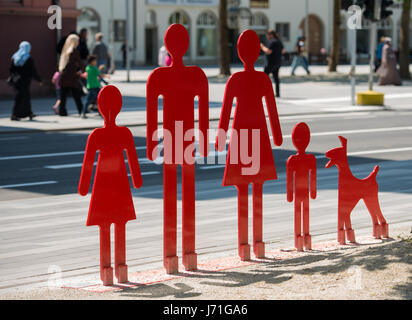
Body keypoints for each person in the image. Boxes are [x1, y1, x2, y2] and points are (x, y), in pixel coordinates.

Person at [216, 30, 283, 261]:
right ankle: (257, 242)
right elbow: (272, 111)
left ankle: (245, 244)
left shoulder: (235, 79)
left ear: (239, 52)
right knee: (258, 186)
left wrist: (221, 138)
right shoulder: (263, 79)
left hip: (241, 134)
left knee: (243, 186)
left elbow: (226, 112)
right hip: (258, 133)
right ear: (257, 52)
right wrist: (277, 136)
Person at [78, 85, 143, 285]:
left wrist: (83, 187)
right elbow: (133, 164)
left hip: (103, 185)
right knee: (120, 223)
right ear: (120, 107)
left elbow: (88, 164)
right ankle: (121, 269)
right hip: (121, 183)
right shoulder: (125, 133)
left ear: (98, 107)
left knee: (105, 224)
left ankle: (106, 270)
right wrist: (136, 181)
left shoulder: (96, 135)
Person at [9, 41, 42, 121]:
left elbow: (11, 70)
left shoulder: (14, 57)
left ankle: (29, 113)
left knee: (24, 97)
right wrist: (39, 80)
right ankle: (14, 115)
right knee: (21, 98)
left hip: (17, 81)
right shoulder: (28, 59)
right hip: (25, 81)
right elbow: (33, 71)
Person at [58, 34, 84, 116]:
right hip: (72, 77)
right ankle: (81, 110)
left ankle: (62, 111)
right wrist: (81, 71)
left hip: (64, 76)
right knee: (76, 95)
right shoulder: (74, 51)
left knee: (63, 96)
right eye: (77, 41)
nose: (78, 43)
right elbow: (80, 63)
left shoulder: (65, 51)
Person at [260, 30, 285, 97]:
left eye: (268, 35)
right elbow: (283, 51)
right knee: (276, 78)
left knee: (264, 78)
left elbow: (268, 51)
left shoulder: (272, 42)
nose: (267, 36)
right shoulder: (279, 41)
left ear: (271, 35)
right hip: (278, 62)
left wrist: (262, 47)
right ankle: (277, 93)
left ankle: (263, 92)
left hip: (270, 63)